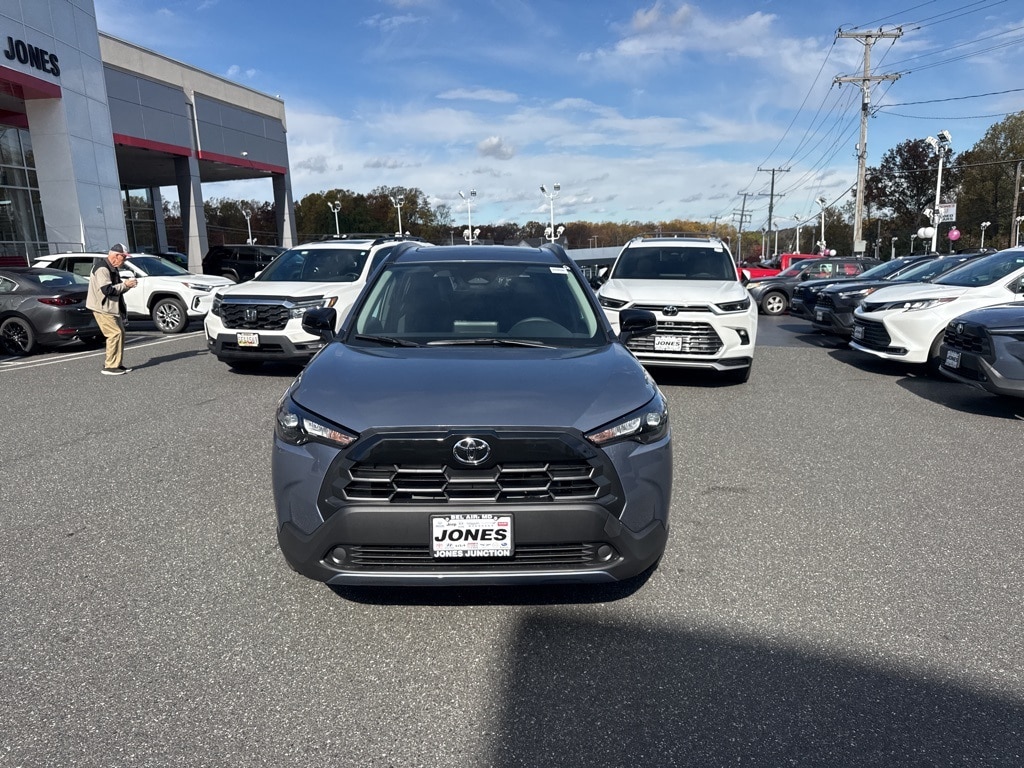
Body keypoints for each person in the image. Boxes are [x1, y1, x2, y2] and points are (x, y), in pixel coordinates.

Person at [87, 243, 138, 375]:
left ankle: (116, 363)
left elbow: (116, 290)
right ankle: (110, 366)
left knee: (120, 333)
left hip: (110, 307)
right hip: (102, 307)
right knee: (114, 334)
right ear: (116, 256)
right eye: (124, 257)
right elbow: (107, 290)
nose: (125, 260)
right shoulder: (102, 268)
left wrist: (127, 286)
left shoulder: (112, 268)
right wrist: (125, 284)